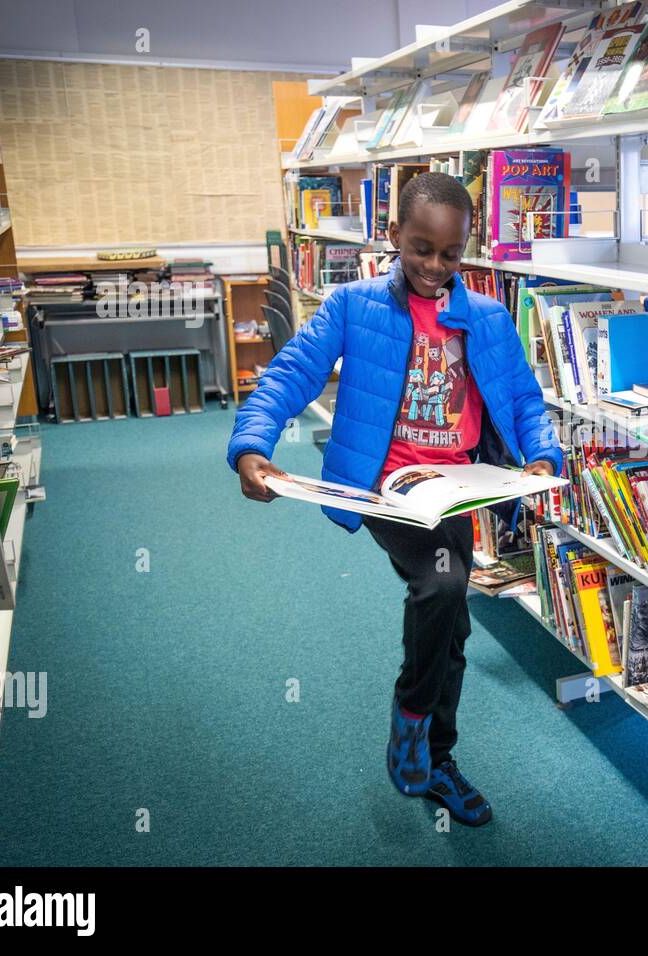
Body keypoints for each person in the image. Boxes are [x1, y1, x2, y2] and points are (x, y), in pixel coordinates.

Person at [227, 172, 563, 828]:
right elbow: (294, 370)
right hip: (389, 487)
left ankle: (440, 761)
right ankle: (414, 721)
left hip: (460, 490)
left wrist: (542, 455)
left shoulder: (488, 318)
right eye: (420, 249)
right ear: (392, 238)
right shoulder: (354, 306)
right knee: (440, 589)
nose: (434, 267)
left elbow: (523, 398)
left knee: (455, 627)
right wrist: (251, 444)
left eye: (449, 254)